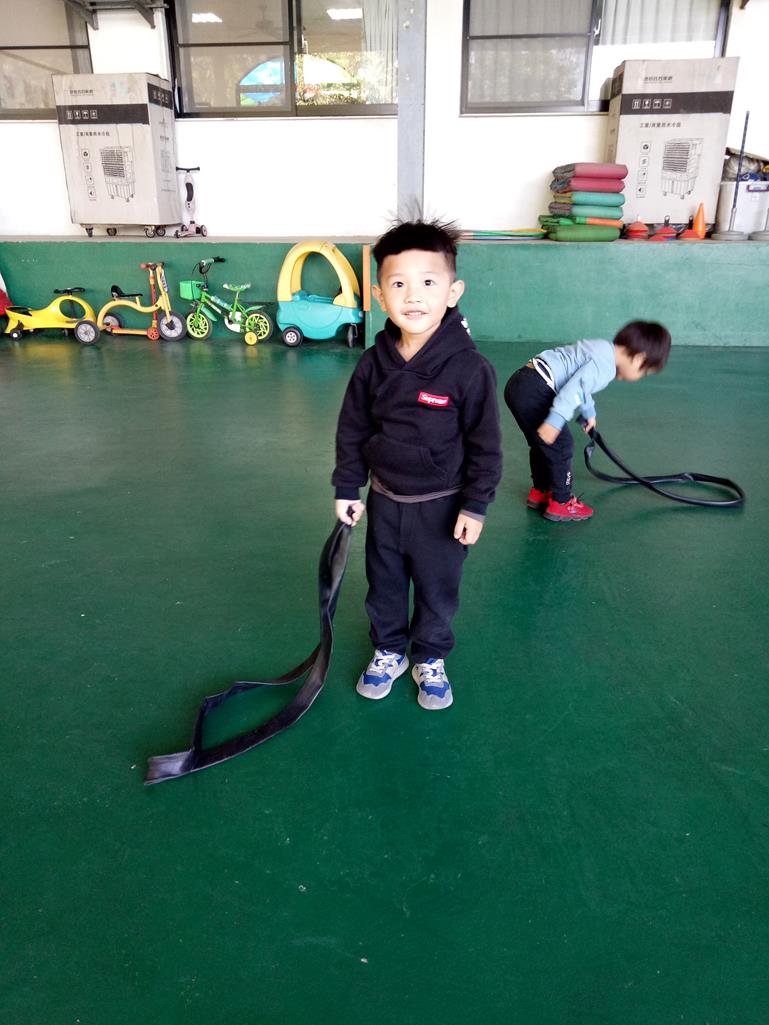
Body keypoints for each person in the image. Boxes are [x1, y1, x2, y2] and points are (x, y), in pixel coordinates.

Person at [332, 219, 502, 710]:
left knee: (437, 589)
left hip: (443, 508)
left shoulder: (470, 369)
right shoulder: (372, 364)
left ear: (453, 292)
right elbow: (353, 429)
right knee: (383, 584)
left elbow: (486, 445)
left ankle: (429, 655)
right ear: (379, 296)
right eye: (398, 284)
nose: (413, 296)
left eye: (428, 282)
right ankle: (389, 649)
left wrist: (475, 505)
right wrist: (348, 488)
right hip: (385, 501)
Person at [503, 321, 671, 522]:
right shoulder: (605, 366)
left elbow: (581, 384)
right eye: (644, 372)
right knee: (562, 446)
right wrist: (556, 420)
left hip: (521, 383)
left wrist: (588, 412)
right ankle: (561, 502)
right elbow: (576, 388)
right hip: (537, 389)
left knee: (542, 445)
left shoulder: (603, 349)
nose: (640, 376)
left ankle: (541, 492)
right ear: (638, 359)